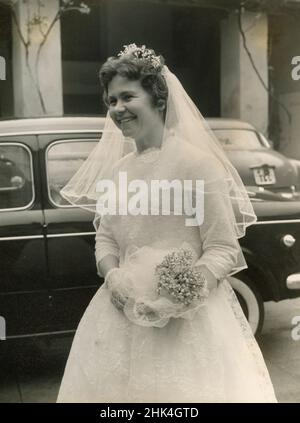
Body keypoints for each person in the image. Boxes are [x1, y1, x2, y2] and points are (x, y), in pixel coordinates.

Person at [57, 44, 277, 403]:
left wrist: (178, 298)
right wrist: (112, 277)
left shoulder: (198, 166)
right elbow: (107, 239)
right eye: (111, 101)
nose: (117, 109)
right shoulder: (118, 171)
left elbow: (222, 248)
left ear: (159, 99)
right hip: (122, 317)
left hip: (190, 323)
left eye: (128, 96)